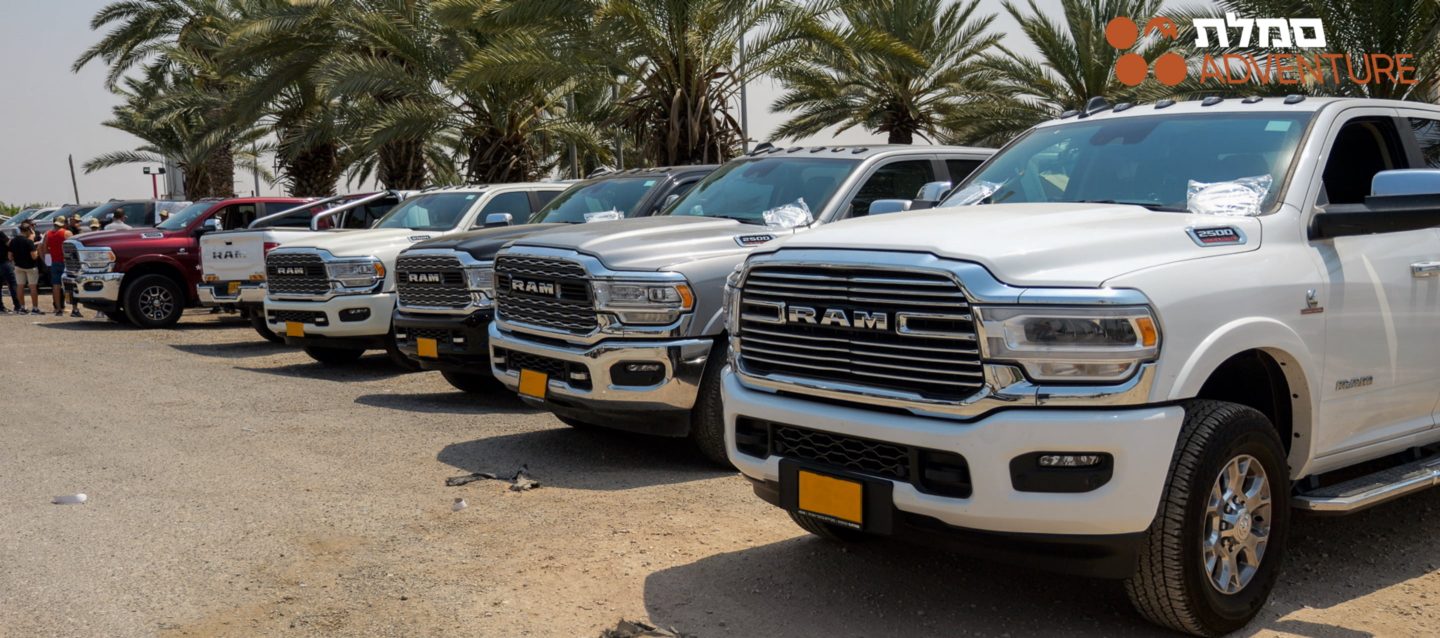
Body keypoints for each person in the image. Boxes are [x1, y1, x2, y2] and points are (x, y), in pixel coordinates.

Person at [43, 217, 74, 316]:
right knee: (69, 286)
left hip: (54, 262)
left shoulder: (48, 234)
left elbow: (44, 249)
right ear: (63, 224)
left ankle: (58, 309)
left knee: (56, 286)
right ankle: (74, 308)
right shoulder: (67, 233)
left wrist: (50, 256)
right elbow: (73, 247)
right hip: (66, 262)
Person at [10, 221, 41, 314]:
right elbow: (34, 256)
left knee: (20, 286)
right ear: (28, 230)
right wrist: (38, 250)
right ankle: (35, 308)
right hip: (30, 267)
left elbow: (10, 256)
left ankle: (22, 307)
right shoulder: (29, 241)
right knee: (33, 287)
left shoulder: (13, 241)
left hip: (18, 266)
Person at [0, 230, 17, 313]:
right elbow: (9, 244)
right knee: (12, 283)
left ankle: (1, 307)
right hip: (4, 262)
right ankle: (18, 306)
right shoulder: (1, 233)